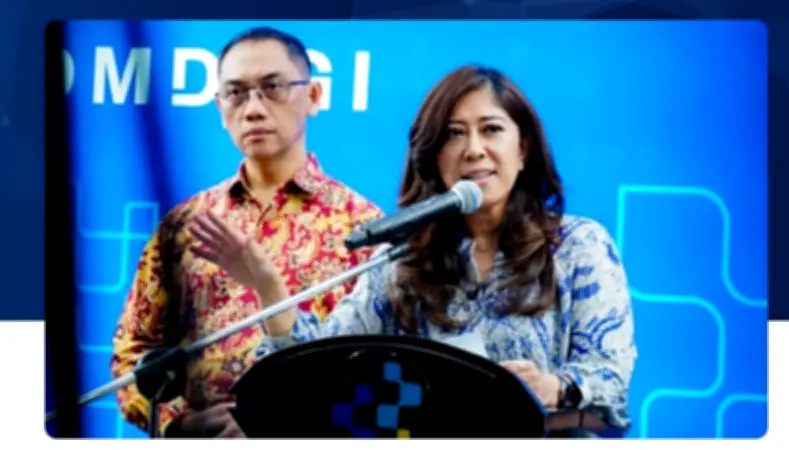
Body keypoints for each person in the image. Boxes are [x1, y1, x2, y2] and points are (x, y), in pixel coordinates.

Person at [190, 65, 637, 437]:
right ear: (434, 158)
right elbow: (318, 367)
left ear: (522, 149)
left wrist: (553, 386)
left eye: (491, 130)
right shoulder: (403, 261)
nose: (473, 150)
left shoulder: (577, 245)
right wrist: (268, 286)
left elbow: (611, 382)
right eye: (454, 135)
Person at [110, 26, 383, 438]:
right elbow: (132, 351)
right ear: (220, 108)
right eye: (236, 93)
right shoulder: (185, 225)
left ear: (313, 96)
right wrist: (181, 423)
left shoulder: (363, 227)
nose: (253, 109)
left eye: (273, 88)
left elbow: (382, 367)